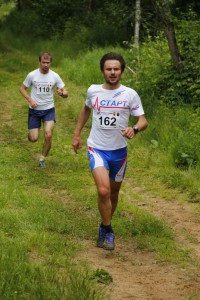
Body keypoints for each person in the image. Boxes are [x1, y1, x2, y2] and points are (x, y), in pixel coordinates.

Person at [72, 52, 148, 250]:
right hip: (97, 148)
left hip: (119, 152)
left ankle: (103, 226)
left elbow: (143, 120)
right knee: (103, 190)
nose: (113, 72)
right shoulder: (93, 91)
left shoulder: (130, 94)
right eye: (109, 69)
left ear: (121, 71)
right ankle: (108, 230)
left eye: (116, 69)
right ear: (103, 71)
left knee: (113, 193)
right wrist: (77, 134)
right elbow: (86, 109)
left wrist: (135, 128)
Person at [20, 52, 68, 167]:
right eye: (43, 62)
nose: (45, 65)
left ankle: (42, 159)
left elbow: (65, 92)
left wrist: (62, 93)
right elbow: (22, 89)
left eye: (48, 62)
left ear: (50, 63)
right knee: (34, 138)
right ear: (39, 62)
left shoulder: (55, 76)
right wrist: (30, 100)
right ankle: (32, 135)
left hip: (49, 110)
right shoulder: (32, 75)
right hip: (34, 110)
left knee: (48, 134)